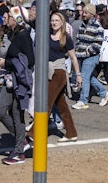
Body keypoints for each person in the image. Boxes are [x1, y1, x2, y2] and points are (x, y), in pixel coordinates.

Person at [27, 11, 79, 143]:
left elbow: (73, 57)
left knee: (47, 102)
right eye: (52, 20)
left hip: (59, 72)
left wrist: (78, 74)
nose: (54, 22)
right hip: (47, 71)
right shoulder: (46, 36)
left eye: (57, 20)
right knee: (61, 105)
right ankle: (71, 133)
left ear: (62, 23)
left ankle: (33, 132)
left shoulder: (66, 37)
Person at [0, 7, 35, 165]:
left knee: (18, 116)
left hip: (20, 81)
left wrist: (7, 62)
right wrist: (2, 78)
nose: (6, 18)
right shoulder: (12, 35)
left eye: (9, 16)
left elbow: (30, 61)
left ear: (18, 19)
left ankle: (19, 153)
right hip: (9, 79)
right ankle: (23, 140)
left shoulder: (24, 36)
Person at [71, 4, 108, 110]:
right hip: (81, 55)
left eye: (86, 13)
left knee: (84, 77)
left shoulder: (98, 27)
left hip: (92, 56)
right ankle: (104, 93)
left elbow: (97, 45)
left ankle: (83, 100)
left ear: (92, 14)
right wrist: (77, 51)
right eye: (83, 12)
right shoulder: (82, 25)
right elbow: (79, 39)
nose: (83, 14)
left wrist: (86, 52)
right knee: (89, 77)